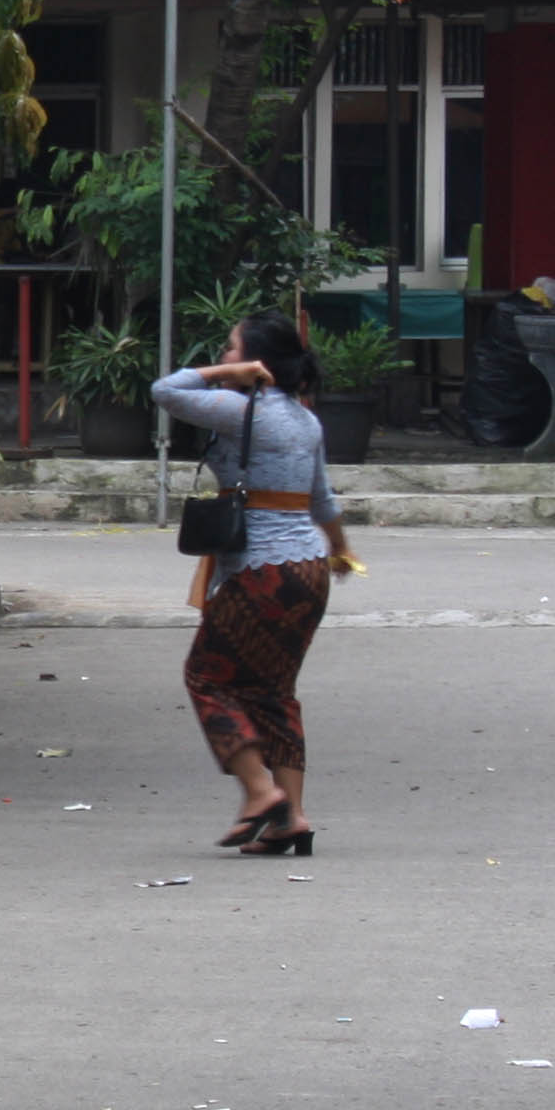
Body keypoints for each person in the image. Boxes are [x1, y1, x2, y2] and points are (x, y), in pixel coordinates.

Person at [153, 309, 357, 858]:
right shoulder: (305, 419)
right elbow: (322, 500)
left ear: (255, 361)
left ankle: (261, 794)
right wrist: (339, 550)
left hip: (261, 569)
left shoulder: (239, 410)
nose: (221, 357)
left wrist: (227, 377)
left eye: (228, 348)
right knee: (274, 692)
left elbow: (165, 390)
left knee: (207, 677)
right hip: (310, 569)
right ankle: (293, 816)